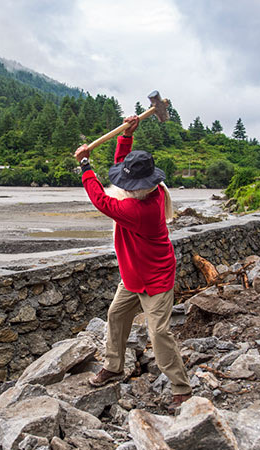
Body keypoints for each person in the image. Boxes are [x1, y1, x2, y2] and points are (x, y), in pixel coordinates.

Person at [74, 116, 192, 412]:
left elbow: (101, 200)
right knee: (116, 315)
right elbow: (123, 172)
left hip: (155, 278)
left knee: (159, 333)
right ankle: (114, 366)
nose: (124, 184)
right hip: (132, 275)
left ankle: (181, 388)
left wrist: (85, 166)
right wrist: (126, 136)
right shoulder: (150, 191)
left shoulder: (139, 210)